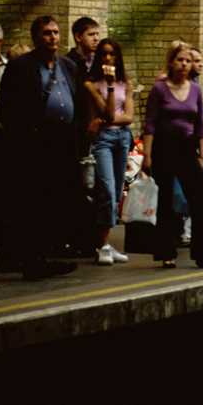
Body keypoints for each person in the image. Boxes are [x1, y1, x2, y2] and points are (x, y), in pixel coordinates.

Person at [0, 16, 79, 280]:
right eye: (47, 33)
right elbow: (5, 106)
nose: (53, 37)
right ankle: (32, 260)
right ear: (35, 37)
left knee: (57, 200)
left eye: (55, 33)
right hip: (33, 142)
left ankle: (49, 254)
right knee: (33, 201)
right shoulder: (21, 67)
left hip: (63, 141)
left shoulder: (68, 66)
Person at [143, 43, 203, 269]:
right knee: (166, 200)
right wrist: (147, 155)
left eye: (188, 61)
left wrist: (201, 153)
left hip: (187, 147)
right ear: (171, 62)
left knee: (201, 198)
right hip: (163, 146)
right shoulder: (160, 88)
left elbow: (199, 122)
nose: (184, 64)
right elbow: (149, 123)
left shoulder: (195, 89)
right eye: (179, 60)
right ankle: (166, 252)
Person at [81, 38, 133, 265]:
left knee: (117, 190)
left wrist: (109, 120)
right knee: (107, 190)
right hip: (103, 141)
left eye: (112, 54)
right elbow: (110, 114)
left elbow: (129, 116)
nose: (108, 58)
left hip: (122, 138)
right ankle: (100, 245)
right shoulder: (91, 85)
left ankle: (107, 243)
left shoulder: (127, 83)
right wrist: (110, 86)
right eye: (103, 54)